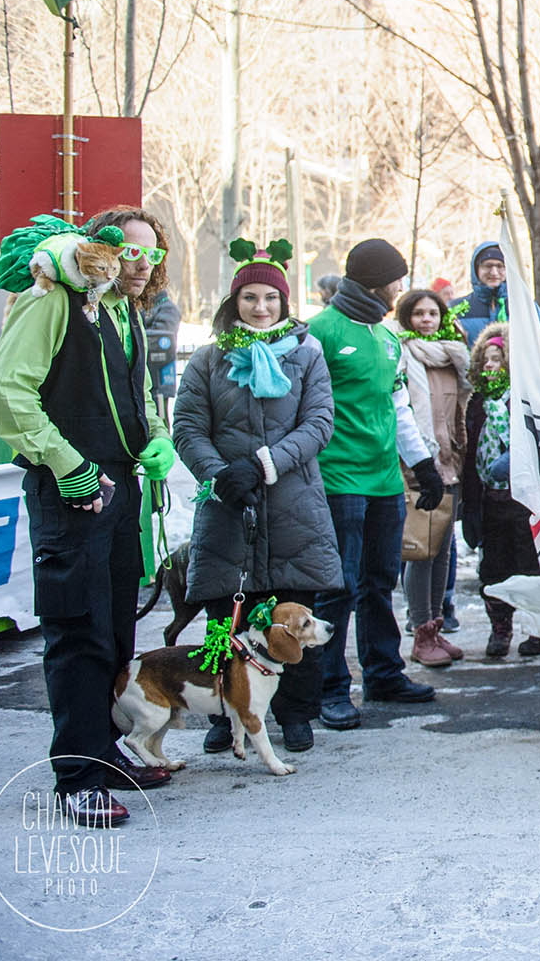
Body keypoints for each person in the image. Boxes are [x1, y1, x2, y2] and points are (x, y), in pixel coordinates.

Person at [0, 206, 178, 826]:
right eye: (129, 250)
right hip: (68, 490)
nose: (140, 263)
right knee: (77, 634)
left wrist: (156, 436)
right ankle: (78, 778)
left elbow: (139, 394)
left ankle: (106, 753)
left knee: (116, 629)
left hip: (119, 490)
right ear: (99, 250)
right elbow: (8, 392)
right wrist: (68, 464)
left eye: (151, 253)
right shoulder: (52, 301)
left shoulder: (129, 312)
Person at [172, 240, 341, 756]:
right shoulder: (208, 360)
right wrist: (222, 474)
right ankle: (224, 713)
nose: (260, 307)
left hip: (293, 507)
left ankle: (295, 714)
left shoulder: (308, 356)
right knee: (226, 620)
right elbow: (188, 427)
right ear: (235, 302)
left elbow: (318, 423)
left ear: (284, 301)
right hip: (228, 506)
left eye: (270, 298)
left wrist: (265, 464)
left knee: (296, 618)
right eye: (250, 298)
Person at [310, 239, 444, 729]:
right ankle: (329, 688)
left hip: (385, 478)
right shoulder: (321, 331)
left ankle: (383, 673)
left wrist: (422, 464)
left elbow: (397, 406)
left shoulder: (387, 338)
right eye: (396, 279)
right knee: (339, 586)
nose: (400, 288)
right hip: (338, 477)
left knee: (379, 581)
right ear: (374, 282)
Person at [460, 323, 540, 657]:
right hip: (490, 499)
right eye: (485, 359)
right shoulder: (478, 401)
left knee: (531, 567)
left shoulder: (524, 397)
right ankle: (500, 628)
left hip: (525, 500)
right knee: (493, 569)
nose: (490, 365)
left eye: (497, 358)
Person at [394, 288, 471, 667]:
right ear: (406, 317)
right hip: (417, 465)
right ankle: (420, 629)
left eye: (433, 313)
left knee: (443, 549)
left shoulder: (453, 356)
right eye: (419, 313)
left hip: (450, 463)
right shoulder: (401, 354)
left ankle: (436, 626)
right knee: (421, 551)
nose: (426, 320)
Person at [454, 242, 509, 345]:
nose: (494, 272)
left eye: (500, 266)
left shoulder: (523, 306)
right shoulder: (457, 309)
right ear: (476, 269)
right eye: (487, 266)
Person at [142, 287, 181, 418]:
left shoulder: (167, 309)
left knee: (159, 417)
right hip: (147, 377)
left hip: (160, 378)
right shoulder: (146, 307)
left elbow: (160, 340)